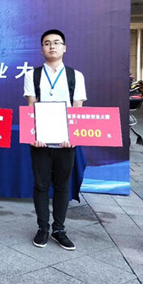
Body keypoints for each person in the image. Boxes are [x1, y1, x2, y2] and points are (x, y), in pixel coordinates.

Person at [24, 29, 86, 251]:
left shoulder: (75, 76)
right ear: (42, 49)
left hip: (65, 141)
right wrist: (34, 136)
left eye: (57, 42)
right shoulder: (32, 75)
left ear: (64, 48)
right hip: (41, 141)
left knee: (62, 186)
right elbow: (31, 107)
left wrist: (72, 137)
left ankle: (59, 229)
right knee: (41, 185)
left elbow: (77, 109)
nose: (52, 46)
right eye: (47, 43)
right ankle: (43, 228)